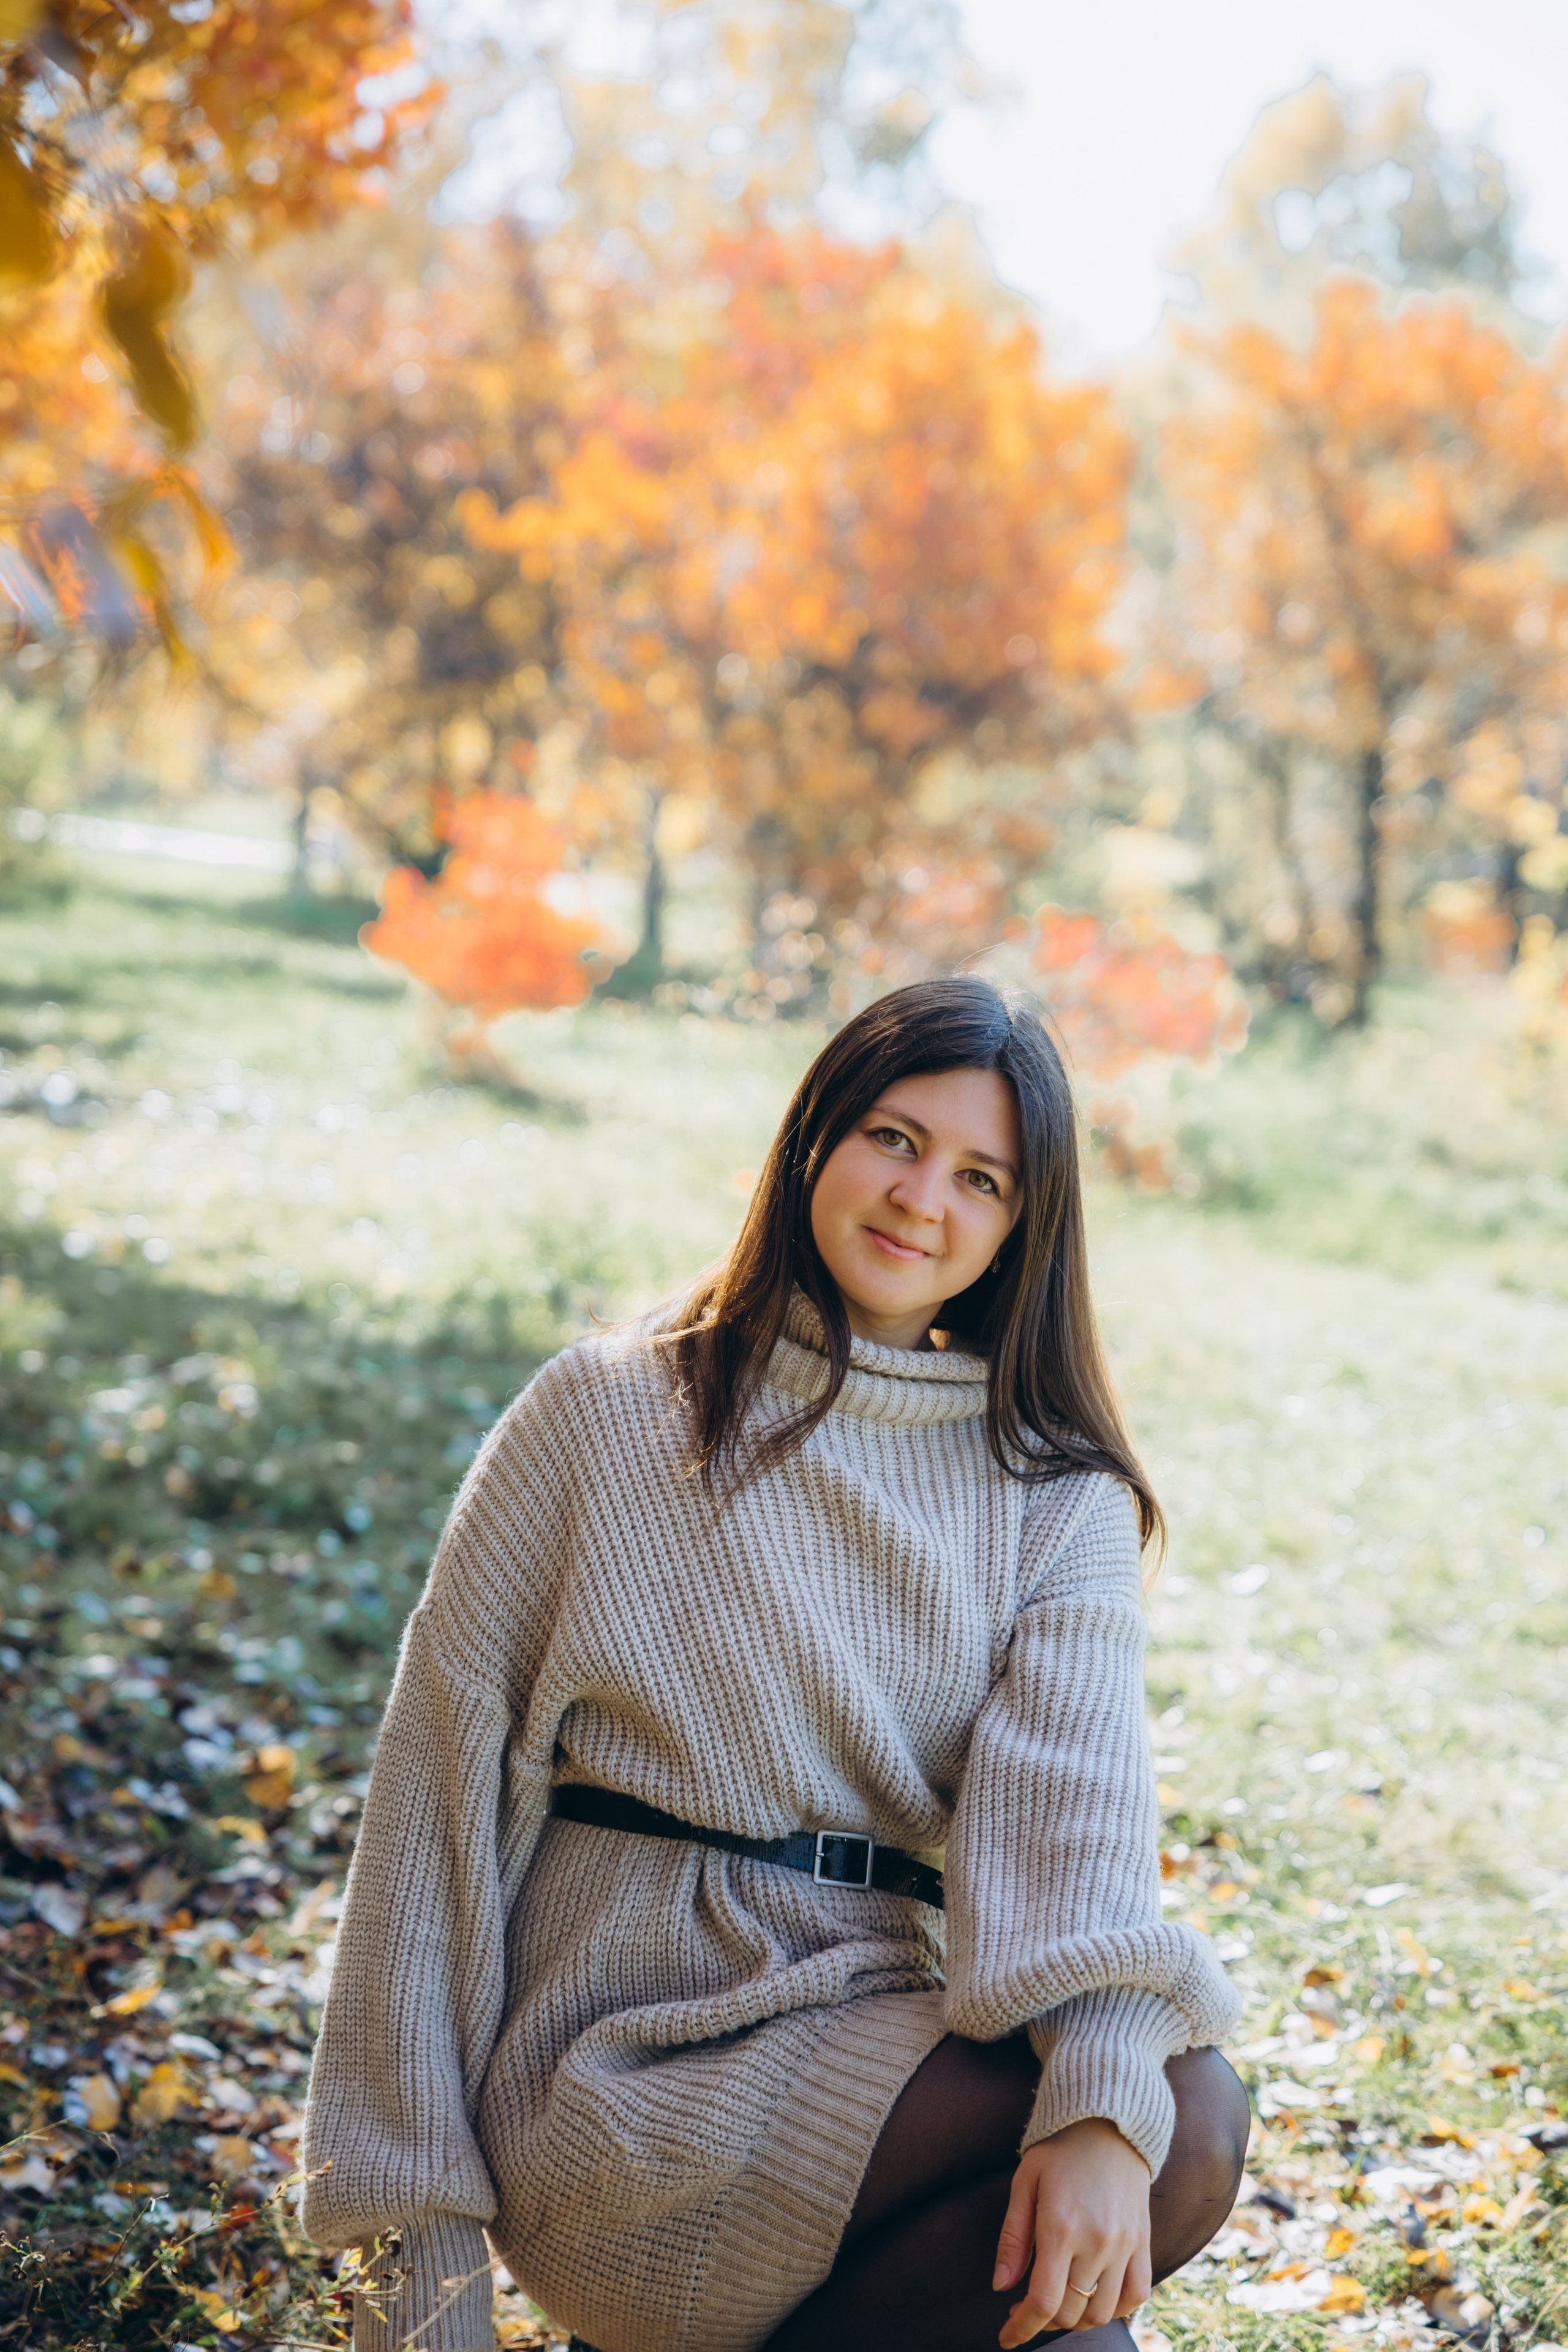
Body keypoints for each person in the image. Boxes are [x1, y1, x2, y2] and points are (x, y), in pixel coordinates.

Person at [301, 976, 1249, 2352]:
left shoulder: (1052, 1496)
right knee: (1188, 2127)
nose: (922, 1199)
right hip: (619, 2074)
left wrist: (1100, 2100)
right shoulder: (608, 1415)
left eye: (981, 1178)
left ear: (1019, 1230)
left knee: (1128, 2199)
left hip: (875, 2019)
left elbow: (1072, 1818)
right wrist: (417, 2270)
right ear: (812, 1139)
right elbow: (431, 1819)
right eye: (892, 1139)